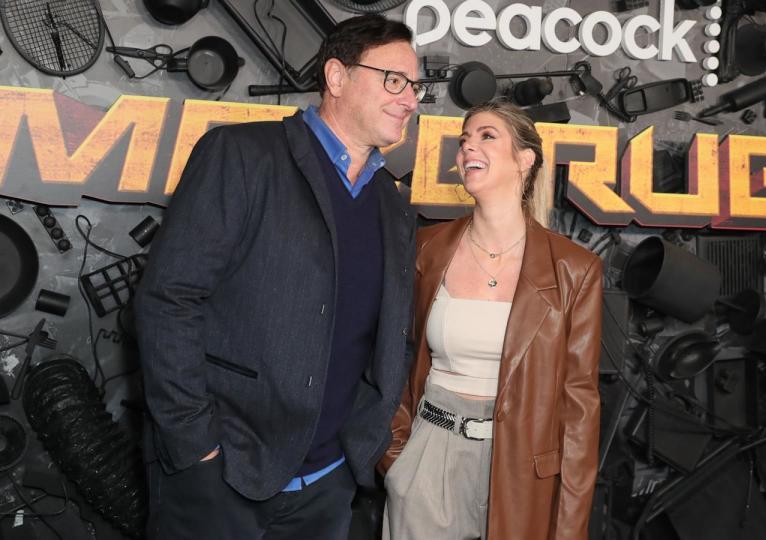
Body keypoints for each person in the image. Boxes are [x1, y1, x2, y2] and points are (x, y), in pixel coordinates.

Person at [134, 14, 422, 539]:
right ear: (336, 77)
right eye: (394, 80)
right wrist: (197, 445)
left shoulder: (392, 204)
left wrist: (359, 446)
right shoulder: (242, 155)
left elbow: (389, 335)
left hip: (330, 484)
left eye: (415, 86)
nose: (410, 99)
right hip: (222, 475)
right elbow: (168, 300)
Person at [378, 100, 603, 540]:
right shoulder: (426, 248)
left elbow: (579, 409)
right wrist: (397, 455)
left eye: (486, 136)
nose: (467, 149)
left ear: (525, 160)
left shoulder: (574, 268)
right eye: (464, 140)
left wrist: (571, 526)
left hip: (524, 473)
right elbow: (392, 357)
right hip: (429, 458)